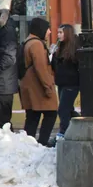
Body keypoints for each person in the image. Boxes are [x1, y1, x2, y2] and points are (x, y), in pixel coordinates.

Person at [19, 18, 58, 146]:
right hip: (38, 88)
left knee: (32, 116)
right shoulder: (36, 44)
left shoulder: (28, 41)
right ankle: (42, 142)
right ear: (40, 29)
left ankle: (28, 143)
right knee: (51, 113)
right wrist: (48, 87)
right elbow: (41, 68)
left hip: (29, 87)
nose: (49, 32)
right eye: (47, 29)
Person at [51, 24, 79, 141]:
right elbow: (54, 67)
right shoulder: (59, 47)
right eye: (58, 32)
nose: (58, 35)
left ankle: (63, 133)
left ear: (67, 34)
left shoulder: (74, 48)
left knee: (63, 109)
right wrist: (52, 55)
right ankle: (80, 126)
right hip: (61, 82)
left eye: (61, 33)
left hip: (71, 83)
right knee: (69, 110)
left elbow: (76, 65)